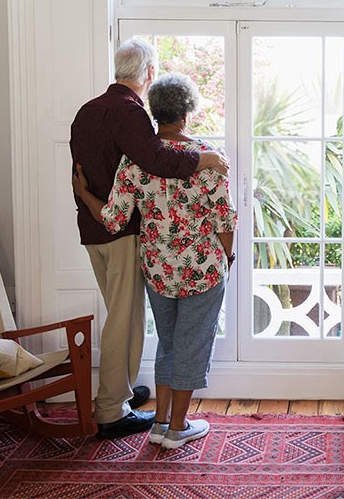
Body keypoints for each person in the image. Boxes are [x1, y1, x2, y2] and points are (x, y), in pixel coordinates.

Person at [70, 40, 229, 440]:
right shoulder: (200, 156)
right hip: (181, 262)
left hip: (141, 256)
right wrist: (226, 259)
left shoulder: (99, 126)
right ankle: (158, 421)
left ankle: (155, 420)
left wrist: (84, 195)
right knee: (167, 335)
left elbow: (113, 206)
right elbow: (223, 217)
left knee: (162, 339)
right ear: (188, 111)